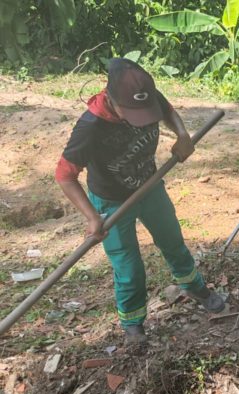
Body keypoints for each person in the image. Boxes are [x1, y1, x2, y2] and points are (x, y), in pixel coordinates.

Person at [55, 58, 225, 347]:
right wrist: (91, 217)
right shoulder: (91, 126)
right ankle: (133, 323)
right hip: (110, 202)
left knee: (173, 242)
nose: (143, 119)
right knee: (129, 267)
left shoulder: (145, 93)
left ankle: (196, 288)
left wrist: (182, 135)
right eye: (133, 114)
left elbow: (168, 112)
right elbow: (64, 175)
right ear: (110, 99)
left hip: (150, 187)